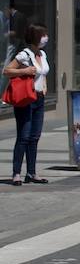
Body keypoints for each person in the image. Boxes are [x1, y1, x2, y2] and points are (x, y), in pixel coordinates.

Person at [5, 24, 50, 185]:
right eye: (43, 35)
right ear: (35, 37)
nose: (46, 38)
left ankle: (31, 173)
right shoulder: (25, 54)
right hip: (26, 99)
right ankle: (16, 173)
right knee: (23, 136)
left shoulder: (42, 54)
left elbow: (42, 73)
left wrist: (44, 85)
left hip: (39, 99)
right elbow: (7, 71)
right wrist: (24, 71)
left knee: (34, 137)